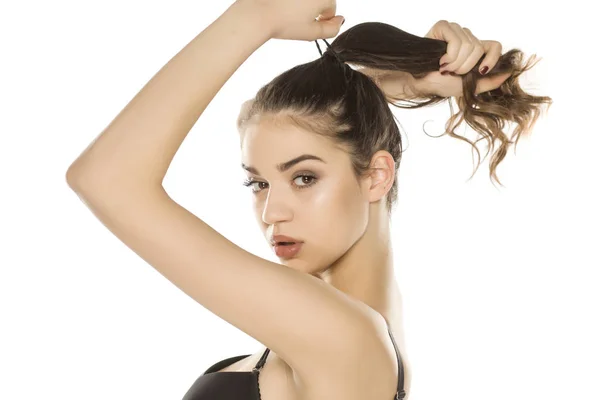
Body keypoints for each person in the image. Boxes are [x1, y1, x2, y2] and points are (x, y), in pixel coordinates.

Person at [65, 1, 553, 399]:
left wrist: (255, 16)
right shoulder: (357, 328)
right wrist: (395, 82)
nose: (272, 213)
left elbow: (105, 177)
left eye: (303, 178)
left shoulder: (342, 335)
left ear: (377, 176)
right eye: (258, 184)